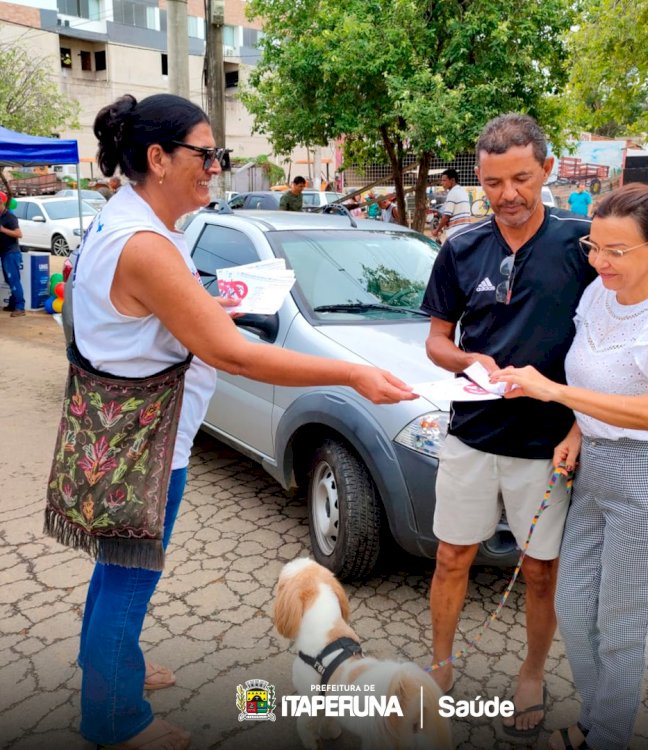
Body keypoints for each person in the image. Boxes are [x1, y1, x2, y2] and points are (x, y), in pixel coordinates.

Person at [72, 93, 416, 750]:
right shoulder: (145, 242)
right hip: (143, 436)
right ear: (158, 158)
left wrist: (203, 316)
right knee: (128, 574)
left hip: (120, 422)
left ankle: (116, 671)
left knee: (118, 566)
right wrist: (352, 373)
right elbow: (232, 355)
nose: (217, 168)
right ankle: (113, 719)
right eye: (207, 154)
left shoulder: (126, 222)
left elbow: (157, 321)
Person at [419, 113, 648, 741]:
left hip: (551, 445)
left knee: (544, 572)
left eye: (521, 177)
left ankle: (531, 674)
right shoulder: (461, 246)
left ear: (547, 171)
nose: (508, 194)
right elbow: (437, 342)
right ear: (481, 182)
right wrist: (470, 359)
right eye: (493, 182)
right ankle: (438, 669)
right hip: (473, 430)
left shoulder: (587, 243)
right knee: (450, 557)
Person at [490, 183, 648, 750]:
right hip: (595, 472)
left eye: (617, 251)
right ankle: (600, 721)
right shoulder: (596, 293)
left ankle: (604, 736)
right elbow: (596, 376)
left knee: (622, 624)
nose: (600, 261)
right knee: (573, 605)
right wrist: (576, 432)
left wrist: (552, 395)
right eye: (596, 246)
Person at [0, 191, 26, 317]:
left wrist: (3, 229)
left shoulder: (9, 217)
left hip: (11, 252)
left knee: (14, 280)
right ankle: (13, 303)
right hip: (4, 253)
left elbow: (19, 234)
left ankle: (20, 307)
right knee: (8, 280)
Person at [433, 168, 471, 239]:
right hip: (465, 231)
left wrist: (436, 230)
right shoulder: (463, 191)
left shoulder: (452, 193)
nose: (442, 183)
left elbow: (446, 216)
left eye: (444, 180)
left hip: (456, 233)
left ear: (452, 180)